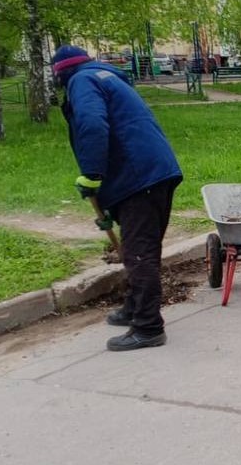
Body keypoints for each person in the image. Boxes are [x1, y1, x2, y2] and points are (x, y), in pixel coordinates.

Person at [51, 45, 183, 352]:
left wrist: (92, 174)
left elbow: (93, 124)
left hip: (140, 176)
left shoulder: (81, 81)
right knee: (141, 246)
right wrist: (109, 204)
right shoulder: (107, 77)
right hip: (154, 171)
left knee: (139, 252)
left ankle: (148, 327)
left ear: (61, 73)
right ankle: (134, 308)